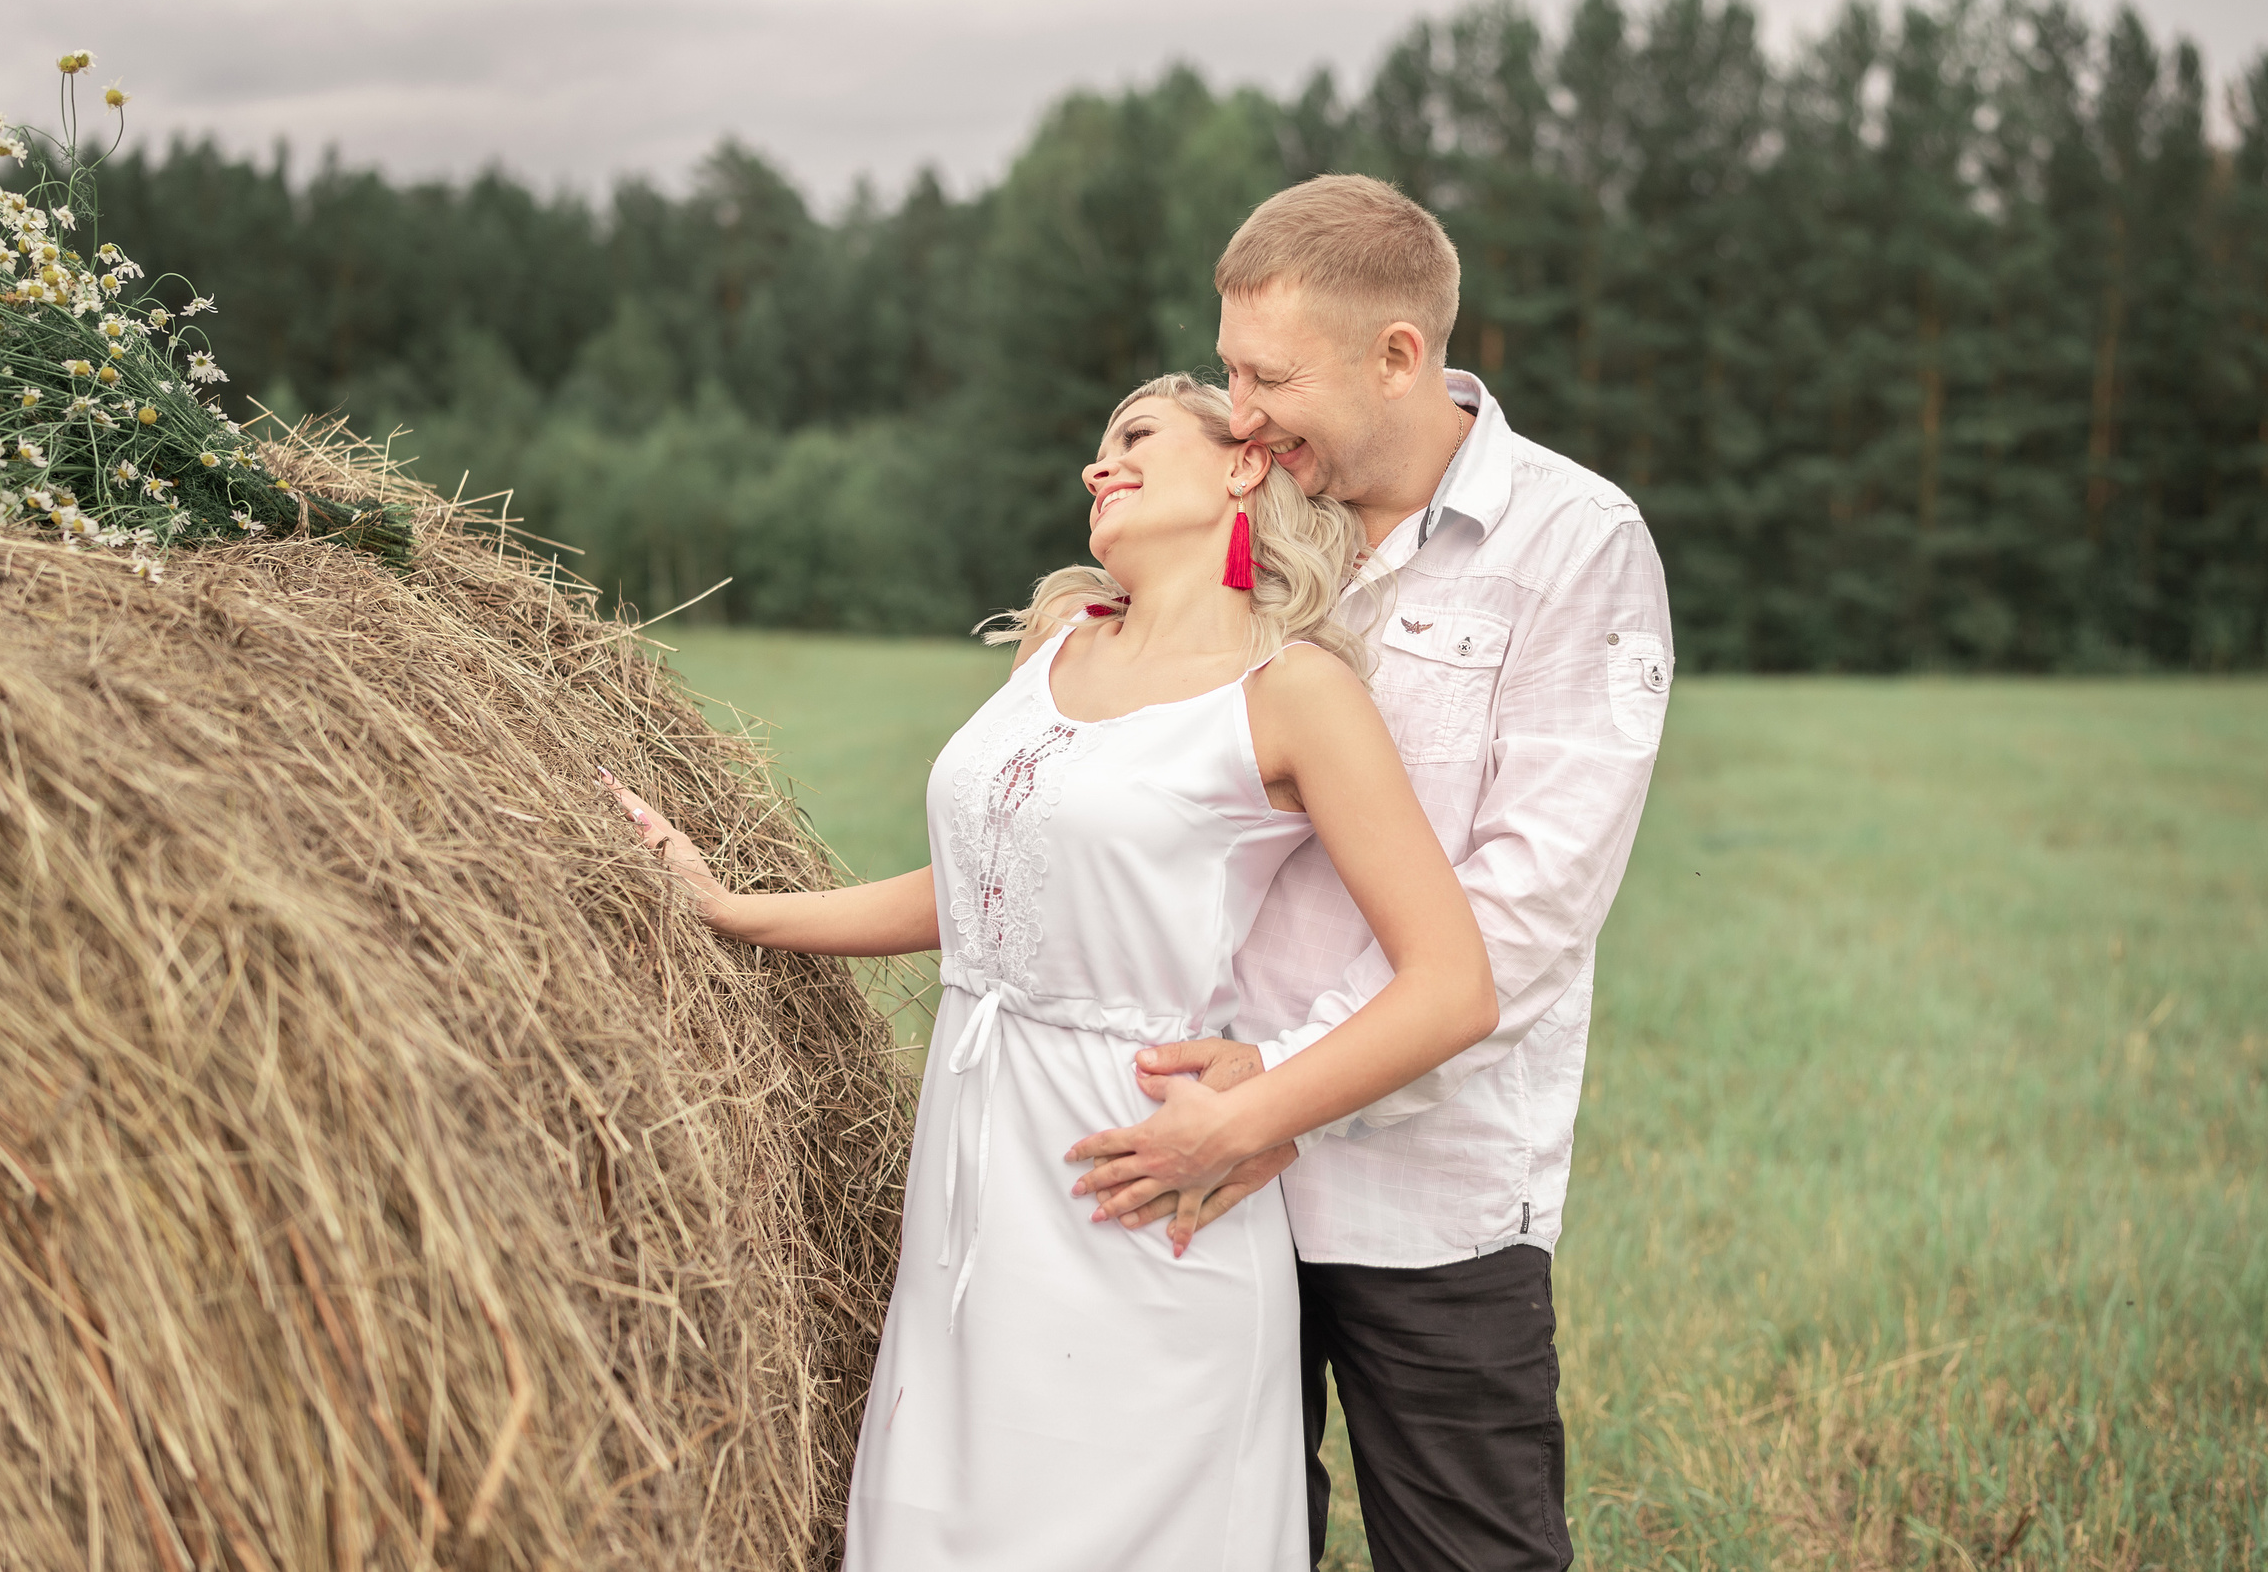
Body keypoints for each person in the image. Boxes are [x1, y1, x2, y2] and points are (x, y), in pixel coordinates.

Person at [600, 372, 1496, 1571]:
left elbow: (1450, 985)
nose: (1098, 464)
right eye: (1094, 446)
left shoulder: (1293, 692)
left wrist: (1243, 1124)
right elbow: (982, 890)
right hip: (974, 1161)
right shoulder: (1058, 641)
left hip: (1134, 1177)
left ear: (1241, 465)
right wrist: (730, 910)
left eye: (1134, 436)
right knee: (949, 1517)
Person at [1067, 176, 1672, 1572]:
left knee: (1470, 1553)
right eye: (1229, 369)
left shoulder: (1577, 544)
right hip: (1206, 1161)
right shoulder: (1255, 522)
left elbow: (1528, 906)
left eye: (1269, 375)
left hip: (1429, 1189)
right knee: (1210, 1539)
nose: (1244, 410)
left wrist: (1279, 1088)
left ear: (1400, 355)